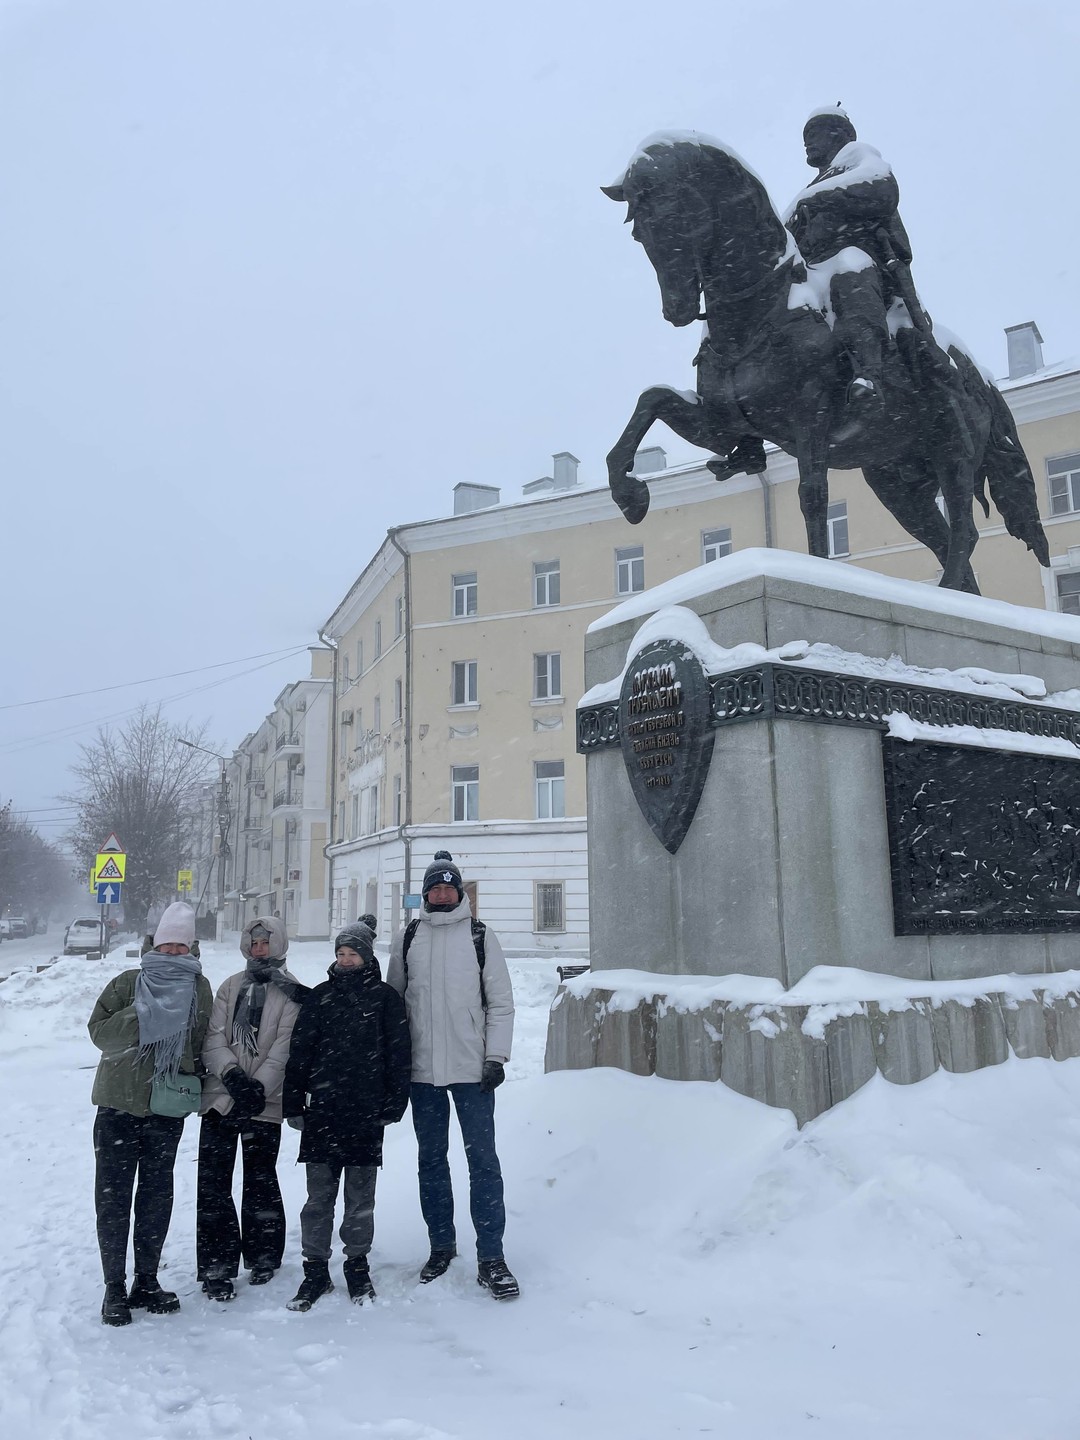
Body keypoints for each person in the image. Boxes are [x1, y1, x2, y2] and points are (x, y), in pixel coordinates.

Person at [387, 851, 519, 1300]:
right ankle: (440, 1247)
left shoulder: (480, 936)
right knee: (431, 1162)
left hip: (472, 1071)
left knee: (483, 1162)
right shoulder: (408, 937)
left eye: (448, 887)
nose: (441, 893)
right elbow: (394, 1006)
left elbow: (500, 1002)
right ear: (425, 894)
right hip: (423, 1073)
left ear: (459, 892)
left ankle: (491, 1257)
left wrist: (495, 1057)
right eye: (434, 888)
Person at [88, 901, 212, 1327]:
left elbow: (202, 1042)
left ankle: (146, 1280)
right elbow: (100, 1035)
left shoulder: (199, 988)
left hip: (165, 1107)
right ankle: (114, 1288)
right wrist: (143, 1014)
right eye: (168, 945)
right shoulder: (128, 982)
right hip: (119, 1104)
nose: (175, 953)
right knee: (113, 1198)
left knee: (156, 1197)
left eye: (182, 946)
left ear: (191, 946)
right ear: (155, 944)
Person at [281, 920, 411, 1311]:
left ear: (367, 957)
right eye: (340, 953)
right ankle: (315, 1270)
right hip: (322, 1111)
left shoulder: (387, 999)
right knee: (318, 1199)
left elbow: (398, 1054)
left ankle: (357, 1266)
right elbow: (300, 1052)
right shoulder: (320, 997)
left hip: (365, 1113)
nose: (346, 960)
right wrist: (292, 1103)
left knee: (359, 1199)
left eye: (352, 953)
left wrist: (393, 1103)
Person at [196, 916, 308, 1301]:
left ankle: (263, 1255)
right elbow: (213, 1037)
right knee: (213, 1184)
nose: (260, 949)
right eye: (254, 942)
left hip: (264, 1100)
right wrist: (231, 1076)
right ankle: (217, 1265)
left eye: (266, 942)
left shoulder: (291, 993)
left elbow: (285, 1047)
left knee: (260, 1180)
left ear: (279, 944)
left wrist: (258, 1087)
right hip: (221, 1097)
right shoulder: (231, 986)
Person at [785, 106, 921, 411]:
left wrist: (816, 198)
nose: (807, 142)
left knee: (850, 267)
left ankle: (870, 373)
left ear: (841, 136)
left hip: (868, 272)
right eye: (804, 136)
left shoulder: (857, 158)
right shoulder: (809, 191)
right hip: (814, 276)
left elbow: (881, 183)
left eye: (814, 134)